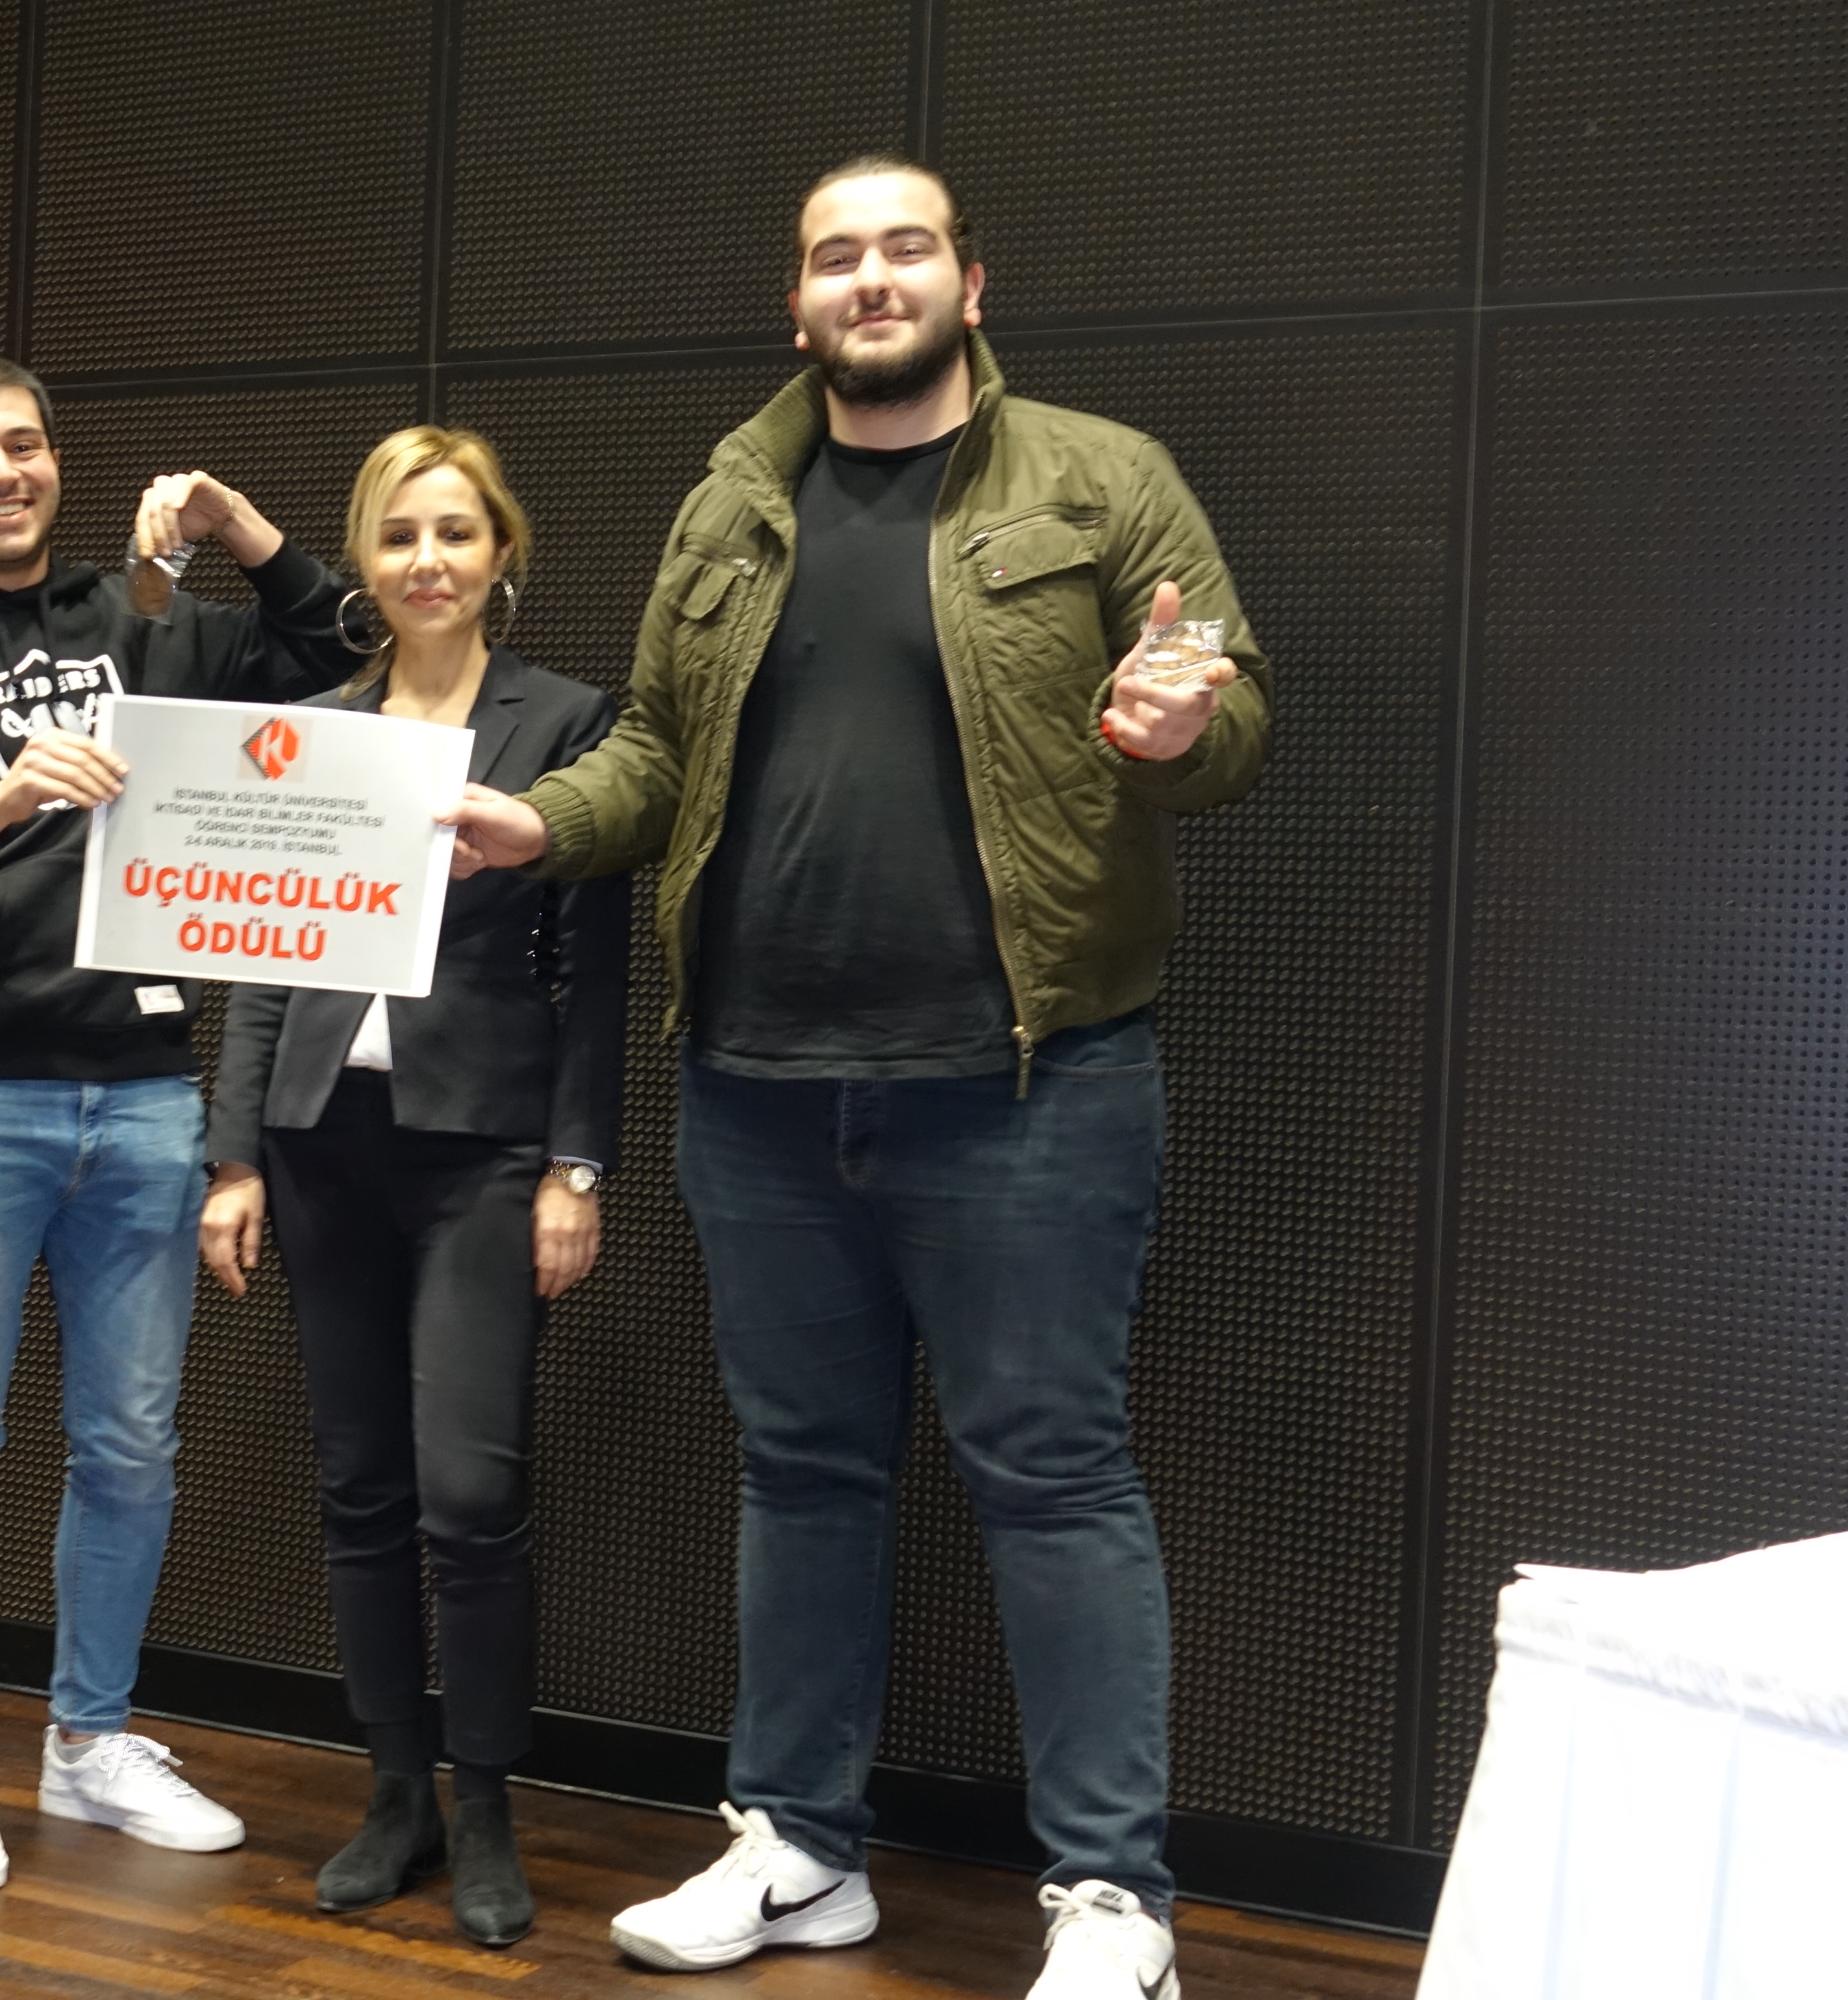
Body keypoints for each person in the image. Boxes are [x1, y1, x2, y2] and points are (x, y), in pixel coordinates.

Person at [440, 158, 1270, 2000]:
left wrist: (1180, 725)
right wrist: (542, 822)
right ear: (796, 300)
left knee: (1052, 1475)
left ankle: (1113, 1899)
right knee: (802, 1473)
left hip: (1029, 1084)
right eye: (836, 255)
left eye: (905, 248)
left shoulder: (1102, 478)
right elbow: (656, 753)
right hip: (756, 1083)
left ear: (972, 282)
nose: (870, 278)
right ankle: (801, 1845)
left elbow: (1228, 716)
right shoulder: (731, 502)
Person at [0, 355, 352, 1894]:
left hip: (148, 1099)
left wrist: (244, 532)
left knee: (129, 1445)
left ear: (57, 462)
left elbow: (346, 659)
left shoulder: (147, 621)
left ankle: (91, 1742)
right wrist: (1, 801)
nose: (3, 470)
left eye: (25, 444)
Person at [197, 427, 629, 1947]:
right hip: (324, 1144)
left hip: (485, 1154)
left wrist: (576, 1164)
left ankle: (487, 1800)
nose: (426, 561)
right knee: (361, 1488)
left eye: (454, 532)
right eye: (397, 536)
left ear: (501, 551)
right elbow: (262, 958)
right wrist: (235, 1155)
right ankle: (398, 1794)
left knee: (471, 1494)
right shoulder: (317, 728)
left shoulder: (567, 722)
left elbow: (594, 974)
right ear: (366, 563)